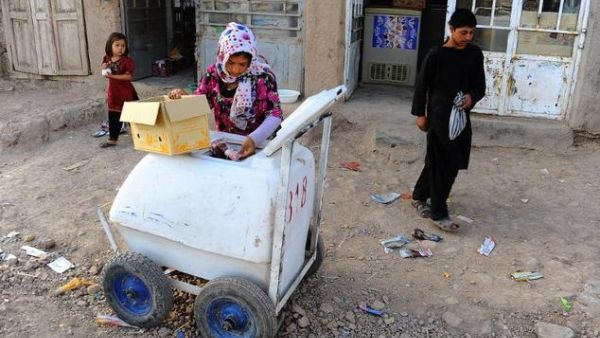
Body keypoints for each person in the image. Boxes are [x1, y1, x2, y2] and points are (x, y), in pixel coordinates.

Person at [410, 9, 486, 232]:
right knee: (444, 162)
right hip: (438, 117)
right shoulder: (436, 55)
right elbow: (421, 87)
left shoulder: (474, 55)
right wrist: (420, 115)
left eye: (472, 33)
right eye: (463, 33)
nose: (468, 38)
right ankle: (438, 212)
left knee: (449, 160)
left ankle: (419, 195)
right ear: (451, 30)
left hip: (461, 119)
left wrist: (472, 97)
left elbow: (479, 87)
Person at [169, 22, 282, 160]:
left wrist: (254, 139)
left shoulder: (262, 77)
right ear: (223, 56)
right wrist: (185, 98)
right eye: (231, 62)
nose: (236, 70)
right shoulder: (213, 74)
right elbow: (200, 105)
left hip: (260, 144)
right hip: (226, 144)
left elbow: (275, 114)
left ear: (251, 60)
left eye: (242, 64)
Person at [100, 32, 138, 148]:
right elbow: (103, 67)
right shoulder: (107, 59)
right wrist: (104, 67)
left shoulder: (127, 61)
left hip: (127, 93)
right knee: (113, 116)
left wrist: (112, 77)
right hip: (114, 93)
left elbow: (128, 77)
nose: (120, 48)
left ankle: (141, 137)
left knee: (134, 115)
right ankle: (113, 140)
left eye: (123, 45)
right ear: (110, 46)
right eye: (117, 45)